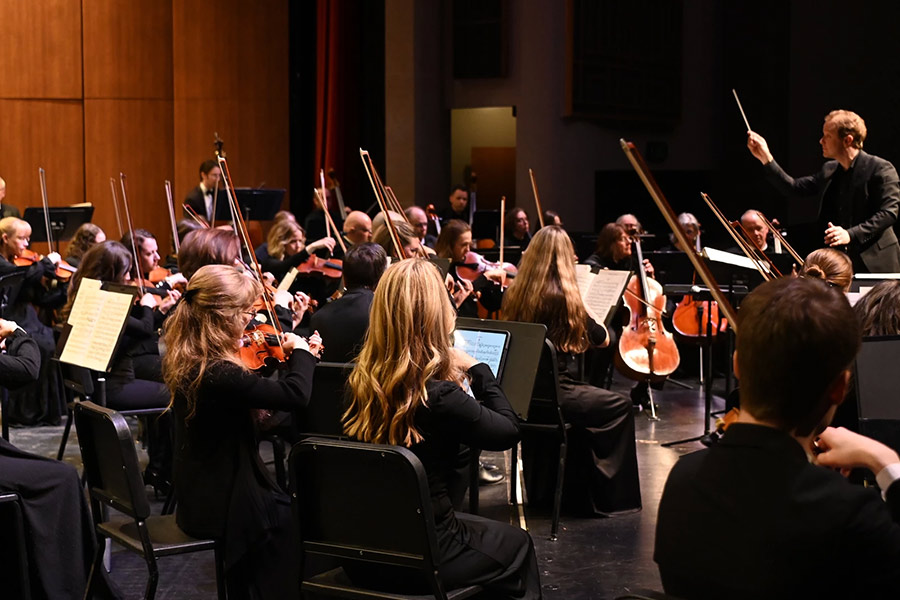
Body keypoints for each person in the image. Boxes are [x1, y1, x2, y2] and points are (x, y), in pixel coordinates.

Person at [655, 276, 900, 598]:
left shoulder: (682, 480)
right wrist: (886, 461)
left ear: (738, 366)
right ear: (840, 387)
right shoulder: (851, 515)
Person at [342, 259, 541, 599]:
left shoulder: (357, 382)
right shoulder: (441, 396)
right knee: (518, 543)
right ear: (435, 314)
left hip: (360, 551)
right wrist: (478, 369)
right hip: (427, 552)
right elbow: (508, 431)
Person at [163, 264, 320, 599]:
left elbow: (251, 386)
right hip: (224, 502)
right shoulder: (218, 372)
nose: (251, 320)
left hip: (200, 491)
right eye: (247, 312)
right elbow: (295, 396)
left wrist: (284, 357)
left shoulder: (191, 355)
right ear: (224, 316)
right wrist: (304, 354)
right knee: (298, 522)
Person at [502, 226, 642, 515]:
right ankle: (609, 498)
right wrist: (585, 306)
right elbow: (603, 340)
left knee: (587, 403)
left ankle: (564, 492)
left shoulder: (516, 293)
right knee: (621, 405)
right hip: (558, 396)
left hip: (524, 397)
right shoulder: (564, 298)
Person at [62, 241, 174, 487]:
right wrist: (147, 307)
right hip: (112, 387)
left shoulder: (87, 293)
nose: (129, 277)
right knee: (178, 393)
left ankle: (159, 468)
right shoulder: (104, 301)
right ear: (111, 273)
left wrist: (158, 310)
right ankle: (166, 470)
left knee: (165, 381)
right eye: (126, 272)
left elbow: (130, 335)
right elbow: (144, 330)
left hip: (99, 384)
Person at [747, 110, 900, 273]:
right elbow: (794, 187)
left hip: (876, 261)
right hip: (841, 263)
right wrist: (766, 157)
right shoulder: (830, 170)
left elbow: (889, 212)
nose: (821, 141)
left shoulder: (880, 168)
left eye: (827, 136)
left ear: (847, 140)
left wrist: (851, 234)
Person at [0, 217, 66, 425]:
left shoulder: (22, 262)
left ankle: (47, 411)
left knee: (51, 339)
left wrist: (60, 286)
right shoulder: (5, 265)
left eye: (28, 239)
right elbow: (19, 277)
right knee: (41, 345)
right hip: (8, 317)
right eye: (22, 239)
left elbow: (38, 298)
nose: (27, 245)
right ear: (4, 238)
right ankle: (25, 412)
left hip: (26, 316)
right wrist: (44, 263)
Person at [309, 242, 386, 362]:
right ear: (382, 277)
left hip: (326, 380)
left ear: (344, 277)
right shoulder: (384, 315)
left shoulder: (318, 318)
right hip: (369, 380)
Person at [434, 219, 504, 318]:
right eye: (464, 245)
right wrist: (484, 277)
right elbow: (456, 300)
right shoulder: (441, 270)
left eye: (469, 244)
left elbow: (491, 304)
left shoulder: (470, 268)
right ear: (449, 245)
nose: (468, 250)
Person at [254, 219, 335, 283]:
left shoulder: (304, 262)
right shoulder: (269, 262)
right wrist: (312, 247)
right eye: (293, 241)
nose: (298, 246)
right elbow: (284, 266)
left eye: (300, 241)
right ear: (281, 243)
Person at [585, 223, 655, 278]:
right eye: (623, 239)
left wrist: (649, 278)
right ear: (611, 243)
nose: (629, 242)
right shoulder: (593, 263)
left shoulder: (632, 263)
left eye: (629, 238)